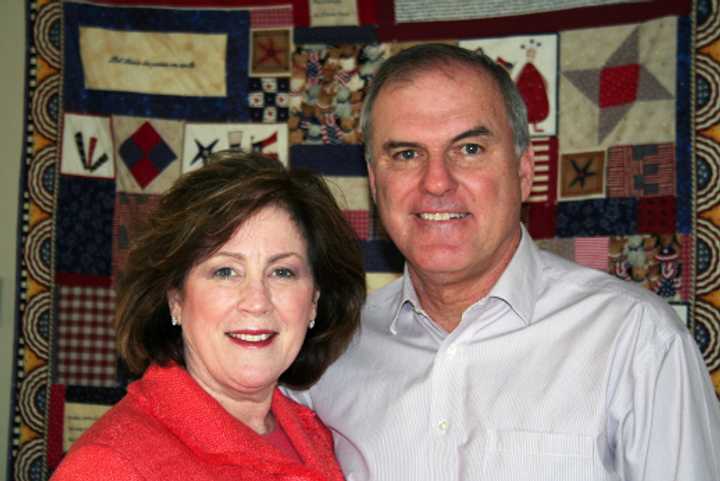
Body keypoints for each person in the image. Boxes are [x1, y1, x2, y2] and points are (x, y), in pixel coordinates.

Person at [290, 43, 720, 480]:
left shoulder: (636, 341)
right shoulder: (329, 353)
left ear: (523, 172)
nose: (436, 182)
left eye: (470, 149)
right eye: (406, 154)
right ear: (375, 183)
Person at [51, 151, 366, 481]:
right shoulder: (110, 465)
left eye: (282, 272)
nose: (257, 302)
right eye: (226, 271)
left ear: (314, 299)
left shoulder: (317, 436)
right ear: (175, 298)